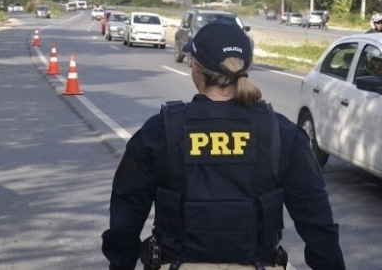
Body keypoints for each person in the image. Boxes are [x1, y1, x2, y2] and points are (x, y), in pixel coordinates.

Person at [102, 22, 345, 270]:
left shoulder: (160, 130)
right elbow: (316, 220)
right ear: (246, 67)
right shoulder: (282, 133)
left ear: (194, 66)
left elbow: (126, 215)